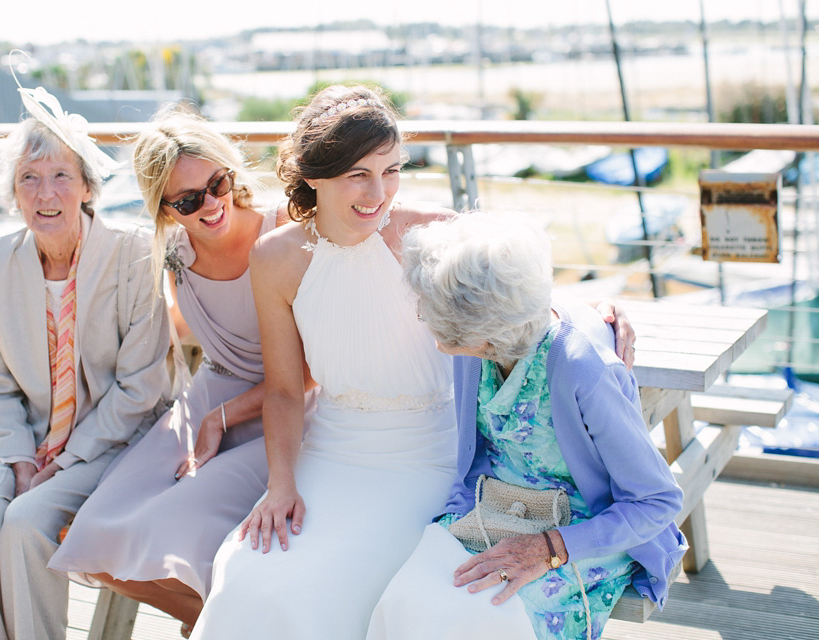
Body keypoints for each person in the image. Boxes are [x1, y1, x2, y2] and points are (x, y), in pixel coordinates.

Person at [190, 85, 637, 640]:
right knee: (252, 581)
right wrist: (281, 483)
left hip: (434, 453)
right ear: (313, 175)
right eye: (358, 174)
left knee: (344, 584)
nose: (378, 193)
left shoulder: (433, 232)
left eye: (392, 170)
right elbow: (284, 390)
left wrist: (594, 310)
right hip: (332, 450)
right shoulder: (274, 258)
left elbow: (515, 295)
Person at [47, 107, 317, 632]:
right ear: (166, 209)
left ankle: (217, 623)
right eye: (189, 200)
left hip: (286, 407)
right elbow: (179, 324)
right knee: (89, 531)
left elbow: (310, 372)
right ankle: (213, 623)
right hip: (208, 396)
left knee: (176, 525)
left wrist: (221, 417)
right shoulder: (173, 252)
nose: (211, 204)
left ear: (228, 169)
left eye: (217, 183)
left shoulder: (284, 230)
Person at [367, 212, 687, 640]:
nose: (421, 316)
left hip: (580, 531)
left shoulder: (582, 370)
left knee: (484, 624)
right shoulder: (474, 349)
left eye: (429, 308)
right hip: (491, 509)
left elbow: (657, 502)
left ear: (484, 331)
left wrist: (550, 548)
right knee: (406, 602)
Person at [0, 85, 172, 640]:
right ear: (12, 192)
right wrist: (21, 458)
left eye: (60, 176)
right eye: (29, 177)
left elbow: (140, 388)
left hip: (116, 441)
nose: (45, 193)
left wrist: (65, 459)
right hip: (26, 442)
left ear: (88, 187)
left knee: (26, 524)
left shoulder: (134, 253)